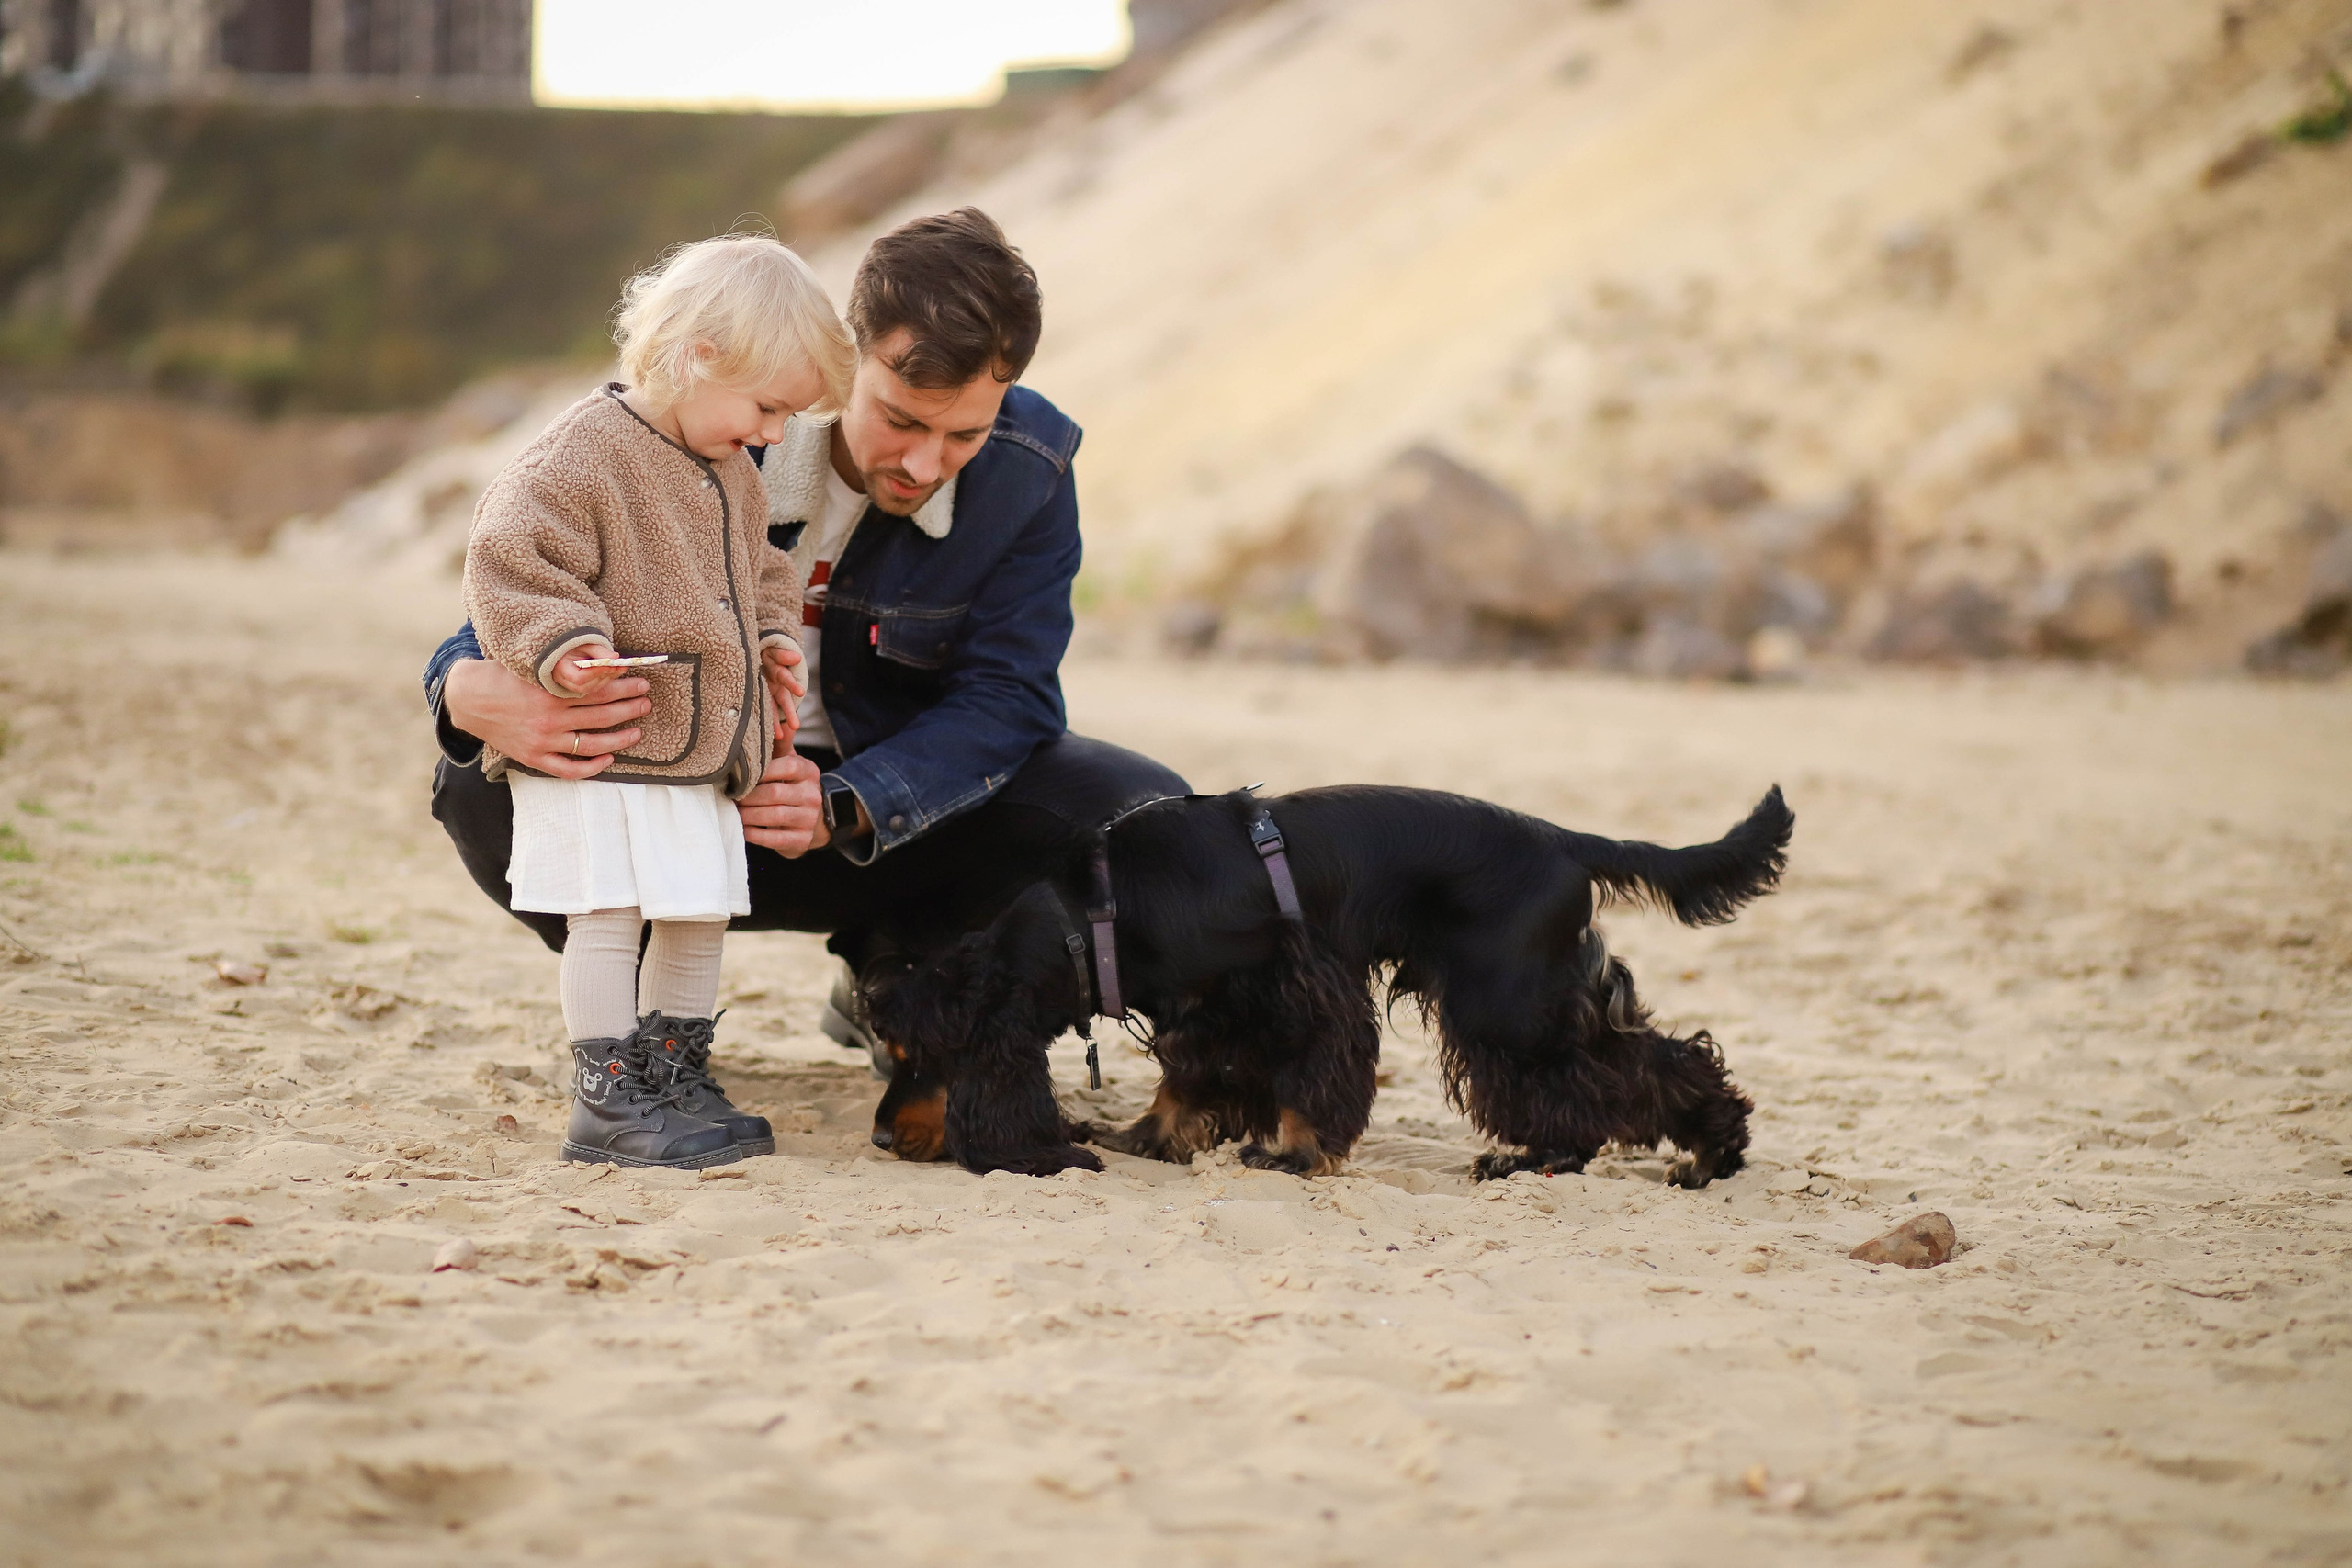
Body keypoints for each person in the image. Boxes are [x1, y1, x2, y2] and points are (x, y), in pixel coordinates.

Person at [424, 209, 1187, 1107]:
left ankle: (904, 971)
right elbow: (520, 585)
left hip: (875, 824)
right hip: (682, 785)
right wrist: (462, 688)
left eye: (963, 434)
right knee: (476, 782)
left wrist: (851, 803)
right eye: (900, 419)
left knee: (1136, 815)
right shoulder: (677, 421)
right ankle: (631, 1019)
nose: (925, 462)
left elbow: (1009, 697)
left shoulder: (1029, 471)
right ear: (840, 360)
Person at [460, 232, 854, 1169]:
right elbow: (511, 563)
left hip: (700, 746)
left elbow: (760, 569)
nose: (771, 433)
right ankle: (606, 1098)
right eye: (766, 407)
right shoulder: (580, 455)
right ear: (697, 355)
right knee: (607, 916)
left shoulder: (727, 468)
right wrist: (565, 649)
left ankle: (672, 1077)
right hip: (610, 731)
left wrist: (768, 636)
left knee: (697, 909)